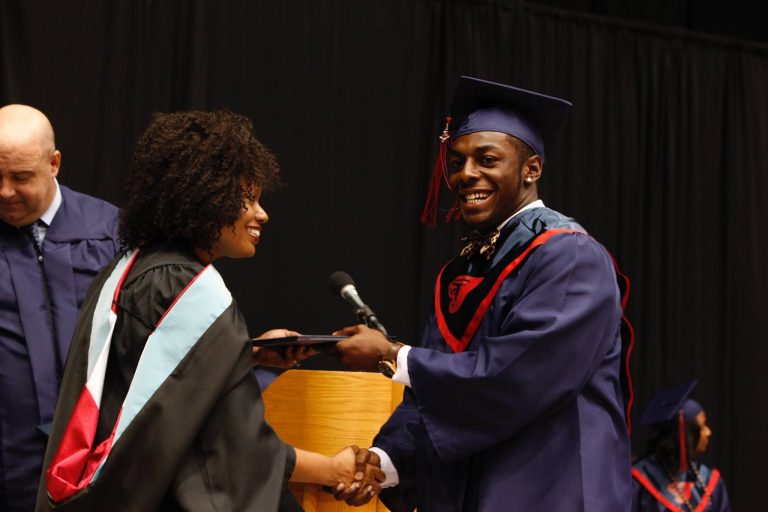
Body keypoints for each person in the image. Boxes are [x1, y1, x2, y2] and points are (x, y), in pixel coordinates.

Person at [35, 110, 383, 511]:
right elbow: (230, 450)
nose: (262, 213)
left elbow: (157, 393)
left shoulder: (131, 269)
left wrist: (245, 355)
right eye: (248, 198)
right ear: (204, 198)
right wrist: (334, 469)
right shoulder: (188, 292)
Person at [333, 76, 634, 511]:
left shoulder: (569, 256)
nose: (465, 174)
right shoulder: (463, 271)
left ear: (531, 169)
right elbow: (433, 399)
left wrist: (393, 356)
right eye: (456, 162)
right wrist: (383, 462)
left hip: (553, 491)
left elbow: (520, 376)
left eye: (486, 159)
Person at [0, 104, 120, 511]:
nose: (4, 191)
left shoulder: (111, 232)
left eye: (20, 177)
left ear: (54, 164)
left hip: (97, 457)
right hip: (9, 459)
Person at [632, 381, 730, 511]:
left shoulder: (709, 480)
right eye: (702, 426)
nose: (708, 432)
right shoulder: (639, 479)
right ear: (684, 434)